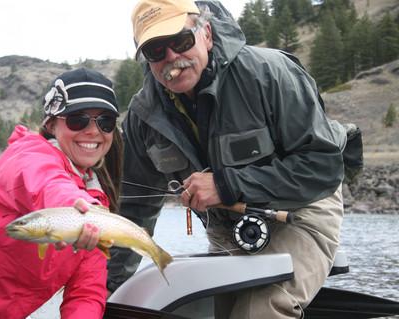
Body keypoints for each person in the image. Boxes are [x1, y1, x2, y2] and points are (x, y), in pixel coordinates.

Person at [107, 0, 349, 318]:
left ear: (206, 33)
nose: (171, 59)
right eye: (156, 51)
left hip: (303, 210)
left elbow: (324, 165)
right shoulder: (143, 116)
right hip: (228, 228)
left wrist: (225, 184)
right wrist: (105, 295)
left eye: (181, 42)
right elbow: (133, 214)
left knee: (259, 310)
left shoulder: (269, 73)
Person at [0, 67, 123, 319]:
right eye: (77, 119)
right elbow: (48, 184)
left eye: (105, 122)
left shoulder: (95, 212)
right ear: (51, 123)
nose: (93, 131)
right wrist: (75, 208)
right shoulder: (29, 155)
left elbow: (86, 292)